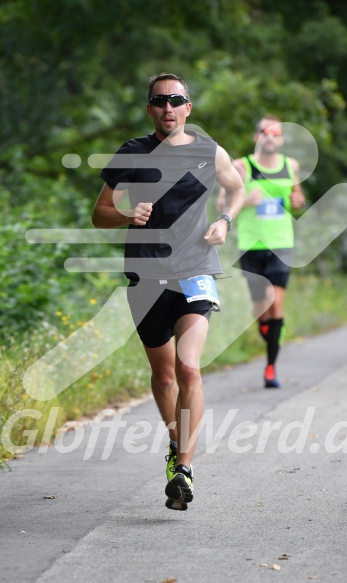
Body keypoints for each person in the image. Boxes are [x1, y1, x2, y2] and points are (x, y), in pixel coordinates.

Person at [92, 73, 245, 510]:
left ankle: (185, 469)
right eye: (160, 101)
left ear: (188, 108)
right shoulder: (131, 153)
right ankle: (176, 443)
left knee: (189, 368)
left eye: (176, 100)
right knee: (163, 377)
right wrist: (126, 215)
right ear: (149, 110)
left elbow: (236, 188)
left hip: (195, 270)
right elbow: (99, 214)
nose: (168, 108)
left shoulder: (207, 149)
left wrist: (225, 221)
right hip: (145, 277)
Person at [217, 114, 305, 389]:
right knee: (260, 310)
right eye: (264, 132)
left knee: (275, 303)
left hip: (281, 243)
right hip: (251, 245)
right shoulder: (242, 166)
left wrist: (297, 200)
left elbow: (297, 199)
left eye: (275, 132)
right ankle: (271, 333)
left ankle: (270, 367)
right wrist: (244, 201)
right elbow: (222, 202)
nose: (269, 136)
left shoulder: (291, 166)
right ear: (257, 137)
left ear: (280, 138)